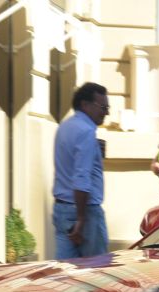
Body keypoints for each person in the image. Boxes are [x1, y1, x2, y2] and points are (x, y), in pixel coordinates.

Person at [52, 82, 109, 259]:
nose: (106, 112)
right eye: (103, 107)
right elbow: (81, 178)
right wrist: (81, 218)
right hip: (84, 210)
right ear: (85, 104)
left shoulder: (65, 126)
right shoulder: (86, 131)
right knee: (96, 271)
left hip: (61, 208)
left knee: (66, 271)